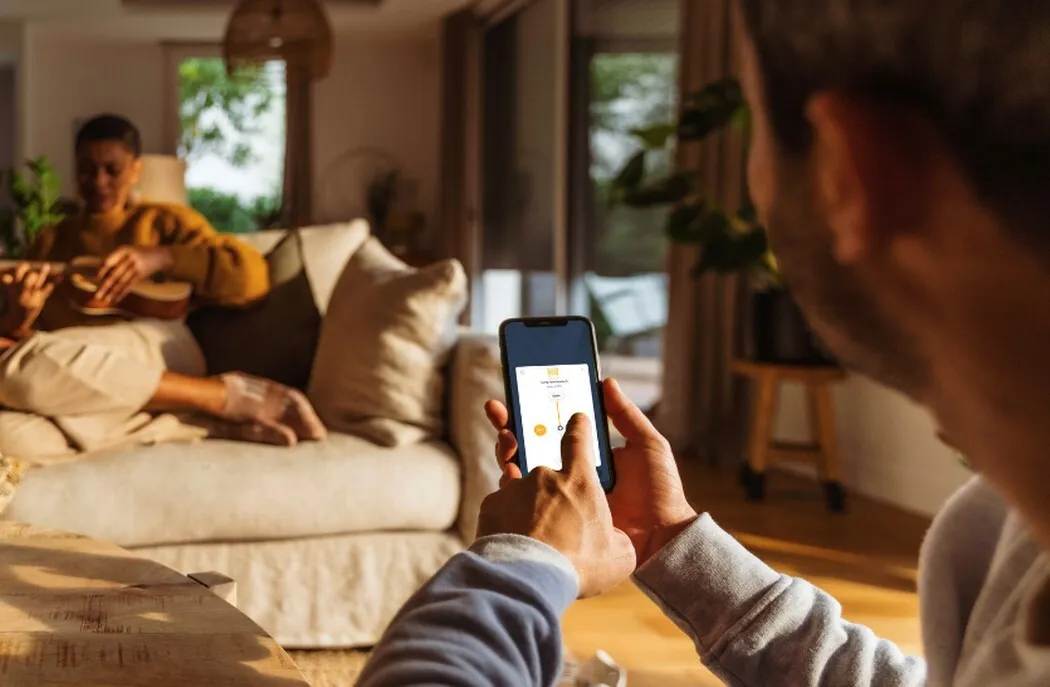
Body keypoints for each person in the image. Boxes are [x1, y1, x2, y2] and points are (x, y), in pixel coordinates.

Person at [356, 1, 1050, 685]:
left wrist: (521, 560)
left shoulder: (1002, 538)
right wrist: (673, 544)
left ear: (851, 174)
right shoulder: (1014, 541)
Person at [0, 114, 324, 456]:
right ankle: (197, 420)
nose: (99, 181)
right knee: (10, 436)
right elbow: (32, 341)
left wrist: (164, 256)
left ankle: (226, 394)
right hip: (69, 372)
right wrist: (22, 316)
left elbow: (252, 279)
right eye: (86, 169)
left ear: (136, 170)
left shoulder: (164, 220)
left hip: (157, 346)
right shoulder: (51, 240)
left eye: (113, 170)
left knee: (19, 367)